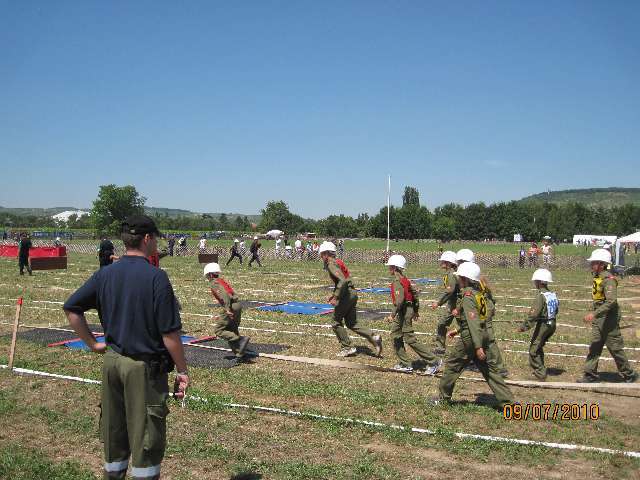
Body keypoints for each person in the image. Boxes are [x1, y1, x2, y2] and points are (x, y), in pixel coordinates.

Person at [63, 215, 189, 480]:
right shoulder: (157, 277)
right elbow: (169, 334)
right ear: (147, 239)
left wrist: (93, 344)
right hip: (143, 369)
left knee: (114, 431)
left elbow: (72, 308)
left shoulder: (105, 274)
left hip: (112, 362)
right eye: (155, 238)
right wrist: (182, 370)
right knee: (146, 439)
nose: (156, 243)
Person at [436, 262, 514, 408]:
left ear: (464, 279)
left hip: (472, 338)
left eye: (459, 277)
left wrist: (478, 347)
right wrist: (457, 330)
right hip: (482, 334)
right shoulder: (479, 294)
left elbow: (473, 323)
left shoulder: (468, 296)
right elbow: (480, 319)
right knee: (490, 371)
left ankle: (443, 399)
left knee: (452, 365)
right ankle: (509, 403)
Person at [578, 249, 638, 383]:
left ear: (601, 264)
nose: (591, 264)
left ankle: (629, 374)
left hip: (608, 319)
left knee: (615, 348)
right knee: (595, 345)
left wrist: (594, 314)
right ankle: (590, 374)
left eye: (594, 262)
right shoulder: (598, 277)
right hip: (599, 319)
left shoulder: (608, 280)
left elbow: (611, 302)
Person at [319, 241, 382, 357]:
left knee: (335, 321)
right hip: (352, 293)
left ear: (326, 254)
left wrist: (336, 297)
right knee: (352, 323)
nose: (321, 257)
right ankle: (373, 336)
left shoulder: (331, 264)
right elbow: (343, 280)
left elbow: (342, 281)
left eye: (322, 254)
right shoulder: (338, 261)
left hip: (346, 295)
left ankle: (347, 347)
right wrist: (334, 294)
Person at [386, 254, 441, 374]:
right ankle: (405, 363)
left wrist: (392, 314)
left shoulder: (398, 282)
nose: (388, 268)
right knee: (395, 335)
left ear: (394, 268)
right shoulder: (405, 280)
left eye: (390, 266)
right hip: (406, 310)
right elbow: (415, 294)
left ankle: (434, 361)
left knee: (409, 338)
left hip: (404, 311)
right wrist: (415, 310)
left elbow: (399, 301)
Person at [517, 269, 558, 381]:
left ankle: (540, 373)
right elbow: (556, 310)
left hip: (544, 325)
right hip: (552, 324)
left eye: (535, 281)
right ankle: (541, 368)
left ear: (539, 282)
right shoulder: (552, 294)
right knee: (539, 346)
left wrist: (524, 327)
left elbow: (533, 314)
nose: (534, 283)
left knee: (533, 350)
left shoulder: (541, 296)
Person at [204, 262, 250, 357]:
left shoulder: (214, 283)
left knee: (219, 330)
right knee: (231, 329)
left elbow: (225, 295)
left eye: (207, 275)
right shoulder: (221, 280)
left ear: (210, 274)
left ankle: (240, 339)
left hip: (231, 306)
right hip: (237, 305)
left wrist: (227, 309)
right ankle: (240, 353)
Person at [431, 251, 459, 355]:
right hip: (452, 303)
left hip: (457, 304)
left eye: (443, 261)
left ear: (449, 263)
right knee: (442, 323)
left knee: (465, 326)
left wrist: (438, 303)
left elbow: (449, 291)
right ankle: (440, 347)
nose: (441, 262)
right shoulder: (450, 274)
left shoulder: (451, 275)